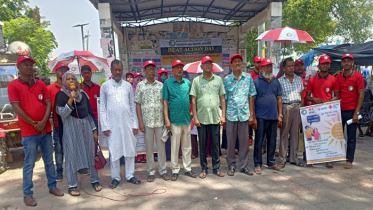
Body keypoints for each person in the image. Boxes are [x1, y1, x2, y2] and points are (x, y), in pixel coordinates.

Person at [8, 56, 63, 207]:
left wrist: (44, 121)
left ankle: (52, 186)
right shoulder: (13, 85)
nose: (29, 67)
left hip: (45, 130)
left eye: (31, 65)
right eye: (25, 65)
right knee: (29, 163)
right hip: (29, 132)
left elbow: (48, 103)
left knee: (49, 161)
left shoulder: (40, 84)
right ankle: (27, 194)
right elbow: (16, 107)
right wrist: (34, 123)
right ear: (18, 68)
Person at [55, 72, 102, 196]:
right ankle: (72, 185)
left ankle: (95, 180)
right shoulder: (60, 95)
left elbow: (89, 113)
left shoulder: (83, 95)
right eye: (68, 79)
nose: (71, 81)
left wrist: (94, 130)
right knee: (71, 157)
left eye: (73, 79)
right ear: (64, 81)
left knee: (90, 153)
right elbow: (63, 114)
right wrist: (71, 98)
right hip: (71, 130)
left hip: (86, 128)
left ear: (76, 82)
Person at [100, 59, 141, 188]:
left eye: (120, 69)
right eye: (115, 69)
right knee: (114, 150)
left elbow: (132, 106)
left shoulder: (128, 86)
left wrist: (135, 124)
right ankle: (115, 177)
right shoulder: (105, 86)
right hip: (112, 125)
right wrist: (105, 126)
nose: (118, 72)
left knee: (129, 149)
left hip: (127, 123)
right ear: (111, 71)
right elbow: (103, 108)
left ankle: (130, 175)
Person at [190, 56, 226, 179]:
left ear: (212, 65)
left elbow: (222, 98)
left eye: (210, 63)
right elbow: (193, 100)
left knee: (216, 144)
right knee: (203, 145)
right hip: (202, 118)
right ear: (201, 66)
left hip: (215, 117)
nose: (208, 65)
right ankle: (204, 168)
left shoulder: (218, 80)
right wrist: (195, 117)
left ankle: (216, 168)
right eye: (205, 63)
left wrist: (223, 116)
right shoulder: (196, 81)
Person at [135, 60, 169, 182]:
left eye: (153, 69)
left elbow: (165, 103)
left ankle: (163, 170)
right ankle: (150, 171)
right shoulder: (140, 86)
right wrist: (140, 122)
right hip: (147, 122)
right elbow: (138, 104)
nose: (151, 71)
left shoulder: (160, 85)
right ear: (144, 71)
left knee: (161, 148)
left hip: (159, 121)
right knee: (149, 148)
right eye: (148, 69)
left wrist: (166, 120)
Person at [163, 60, 197, 181]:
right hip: (174, 120)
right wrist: (166, 119)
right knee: (175, 146)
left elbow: (191, 99)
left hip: (186, 119)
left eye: (181, 67)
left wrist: (192, 113)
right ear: (172, 70)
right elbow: (165, 102)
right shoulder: (167, 83)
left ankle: (187, 168)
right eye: (176, 67)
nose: (179, 69)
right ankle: (175, 169)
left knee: (187, 147)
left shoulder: (187, 83)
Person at [224, 54, 256, 176]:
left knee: (244, 143)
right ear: (231, 65)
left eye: (239, 61)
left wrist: (252, 114)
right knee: (231, 143)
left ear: (242, 64)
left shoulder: (248, 78)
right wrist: (224, 116)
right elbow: (224, 99)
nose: (237, 63)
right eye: (235, 61)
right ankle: (231, 165)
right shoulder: (227, 80)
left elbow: (252, 96)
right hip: (231, 115)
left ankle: (244, 166)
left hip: (244, 115)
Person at [306, 55, 340, 167]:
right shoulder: (312, 80)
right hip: (315, 112)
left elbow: (337, 96)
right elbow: (307, 96)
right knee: (314, 134)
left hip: (328, 112)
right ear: (319, 65)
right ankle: (312, 158)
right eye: (323, 63)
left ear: (329, 65)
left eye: (327, 64)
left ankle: (328, 158)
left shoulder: (333, 79)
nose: (325, 65)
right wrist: (314, 99)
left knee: (327, 135)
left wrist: (329, 101)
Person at [252, 58, 284, 174]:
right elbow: (252, 100)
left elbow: (279, 99)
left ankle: (271, 162)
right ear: (261, 69)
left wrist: (280, 115)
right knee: (259, 141)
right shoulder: (256, 82)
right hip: (260, 116)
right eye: (266, 66)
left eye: (270, 66)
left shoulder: (276, 81)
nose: (269, 68)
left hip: (273, 116)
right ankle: (257, 164)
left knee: (272, 140)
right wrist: (253, 117)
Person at [336, 54, 364, 169]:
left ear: (352, 63)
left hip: (352, 111)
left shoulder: (358, 76)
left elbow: (361, 94)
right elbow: (337, 95)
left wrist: (356, 112)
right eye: (344, 61)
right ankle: (336, 156)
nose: (346, 63)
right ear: (341, 63)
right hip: (339, 111)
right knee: (337, 136)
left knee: (351, 137)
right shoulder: (338, 77)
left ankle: (349, 159)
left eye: (349, 61)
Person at [278, 58, 304, 168]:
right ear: (283, 67)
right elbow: (278, 98)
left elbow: (302, 94)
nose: (291, 68)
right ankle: (282, 158)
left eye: (292, 66)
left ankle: (294, 158)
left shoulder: (299, 79)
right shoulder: (280, 81)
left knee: (295, 133)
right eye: (288, 66)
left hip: (297, 107)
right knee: (284, 133)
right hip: (286, 107)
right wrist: (279, 113)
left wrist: (301, 107)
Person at [47, 64, 69, 181]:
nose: (63, 72)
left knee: (72, 146)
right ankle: (59, 170)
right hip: (57, 123)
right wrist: (50, 117)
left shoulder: (70, 87)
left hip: (70, 122)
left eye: (65, 70)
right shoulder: (50, 88)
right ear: (56, 72)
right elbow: (48, 106)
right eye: (61, 70)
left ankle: (77, 167)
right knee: (59, 147)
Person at [80, 65, 100, 131]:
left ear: (91, 74)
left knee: (97, 139)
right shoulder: (79, 88)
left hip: (96, 117)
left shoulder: (98, 87)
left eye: (88, 73)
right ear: (82, 74)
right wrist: (80, 91)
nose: (86, 75)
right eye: (84, 73)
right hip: (85, 118)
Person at [158, 68, 172, 160]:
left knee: (168, 134)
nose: (163, 76)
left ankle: (168, 154)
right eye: (161, 74)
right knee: (159, 136)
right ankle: (160, 156)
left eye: (164, 74)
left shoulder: (168, 85)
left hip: (168, 113)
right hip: (159, 114)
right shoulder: (158, 85)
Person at [249, 56, 262, 146]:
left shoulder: (264, 75)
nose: (259, 64)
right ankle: (250, 137)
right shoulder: (250, 76)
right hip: (252, 101)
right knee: (251, 120)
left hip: (261, 102)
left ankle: (262, 143)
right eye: (257, 62)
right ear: (254, 64)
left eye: (260, 62)